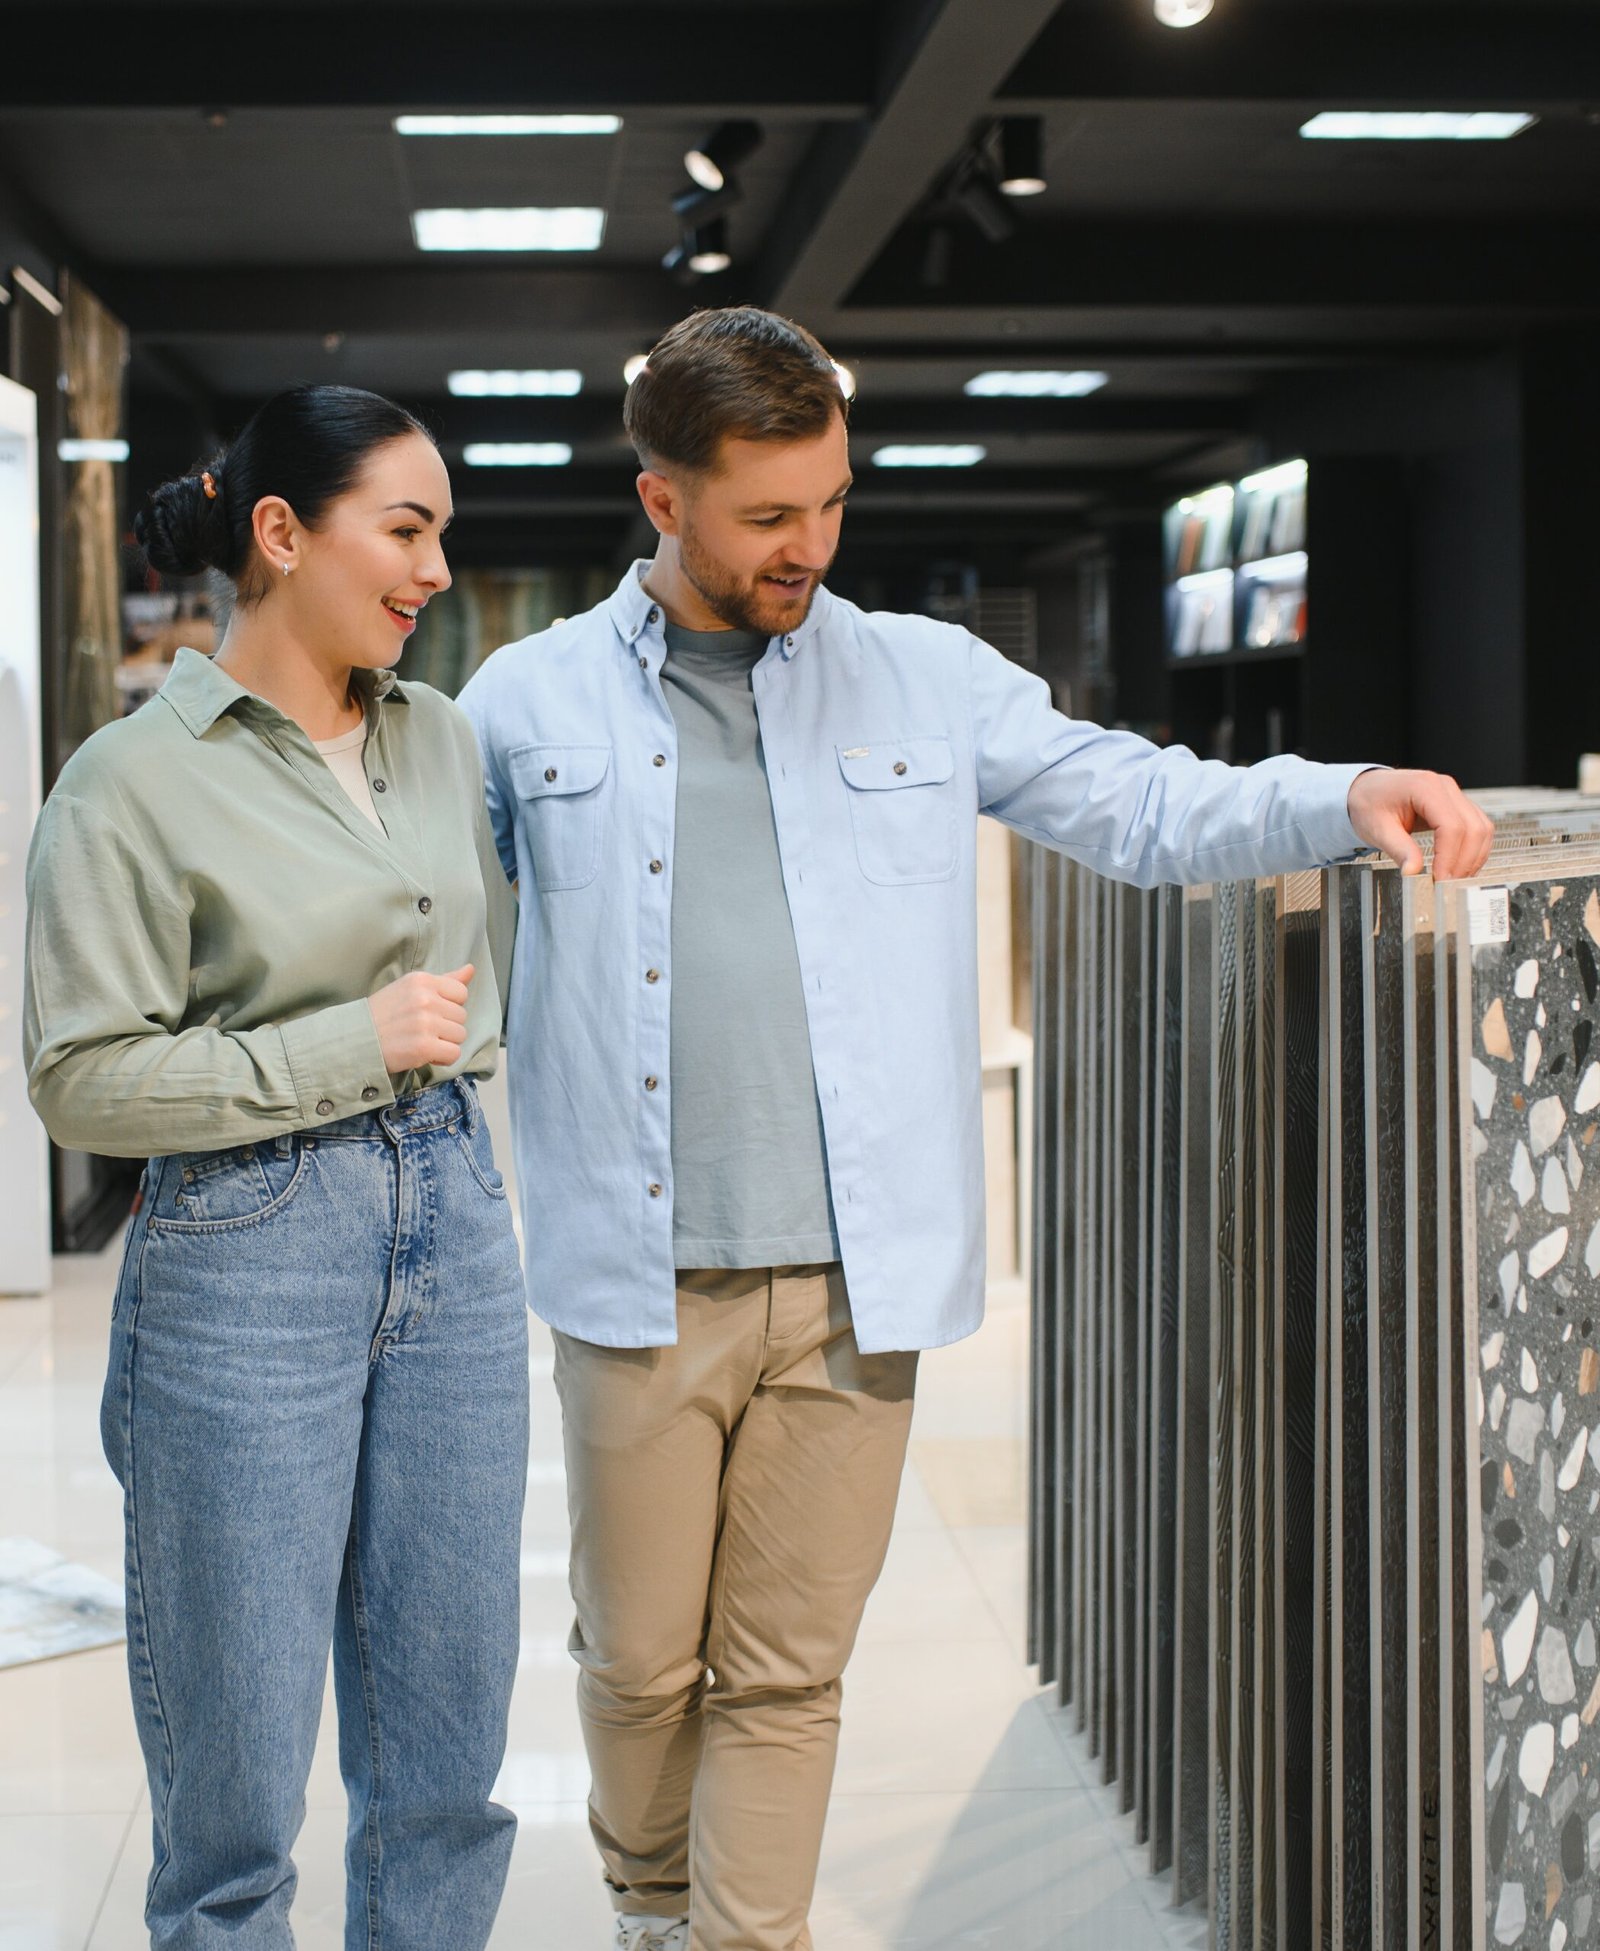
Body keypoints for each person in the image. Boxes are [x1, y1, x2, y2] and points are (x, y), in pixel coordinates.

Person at [456, 307, 1495, 1951]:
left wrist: (1340, 790)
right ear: (664, 504)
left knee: (789, 1671)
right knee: (638, 1664)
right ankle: (651, 1909)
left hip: (862, 1285)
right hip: (632, 1273)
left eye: (833, 503)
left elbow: (1137, 800)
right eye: (770, 515)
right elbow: (421, 920)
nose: (813, 545)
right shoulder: (518, 706)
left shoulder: (924, 678)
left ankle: (736, 1939)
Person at [24, 385, 528, 1951]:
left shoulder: (437, 737)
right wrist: (342, 1044)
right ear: (281, 532)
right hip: (248, 1247)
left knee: (446, 1765)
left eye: (444, 532)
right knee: (235, 1805)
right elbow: (80, 1078)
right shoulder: (131, 779)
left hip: (453, 1214)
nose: (437, 567)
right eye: (408, 526)